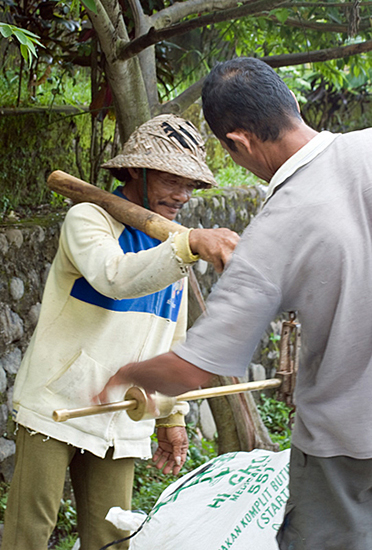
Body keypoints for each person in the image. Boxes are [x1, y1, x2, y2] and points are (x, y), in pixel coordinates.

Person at [98, 58, 372, 550]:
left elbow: (190, 371)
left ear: (239, 143)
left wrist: (126, 375)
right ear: (291, 104)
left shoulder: (275, 227)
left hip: (346, 445)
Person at [2, 114, 239, 550]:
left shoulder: (174, 249)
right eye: (172, 180)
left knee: (113, 539)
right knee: (29, 535)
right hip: (58, 405)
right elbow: (114, 277)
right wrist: (185, 245)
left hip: (123, 417)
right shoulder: (88, 219)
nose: (184, 196)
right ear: (136, 171)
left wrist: (171, 417)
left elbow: (174, 341)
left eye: (191, 186)